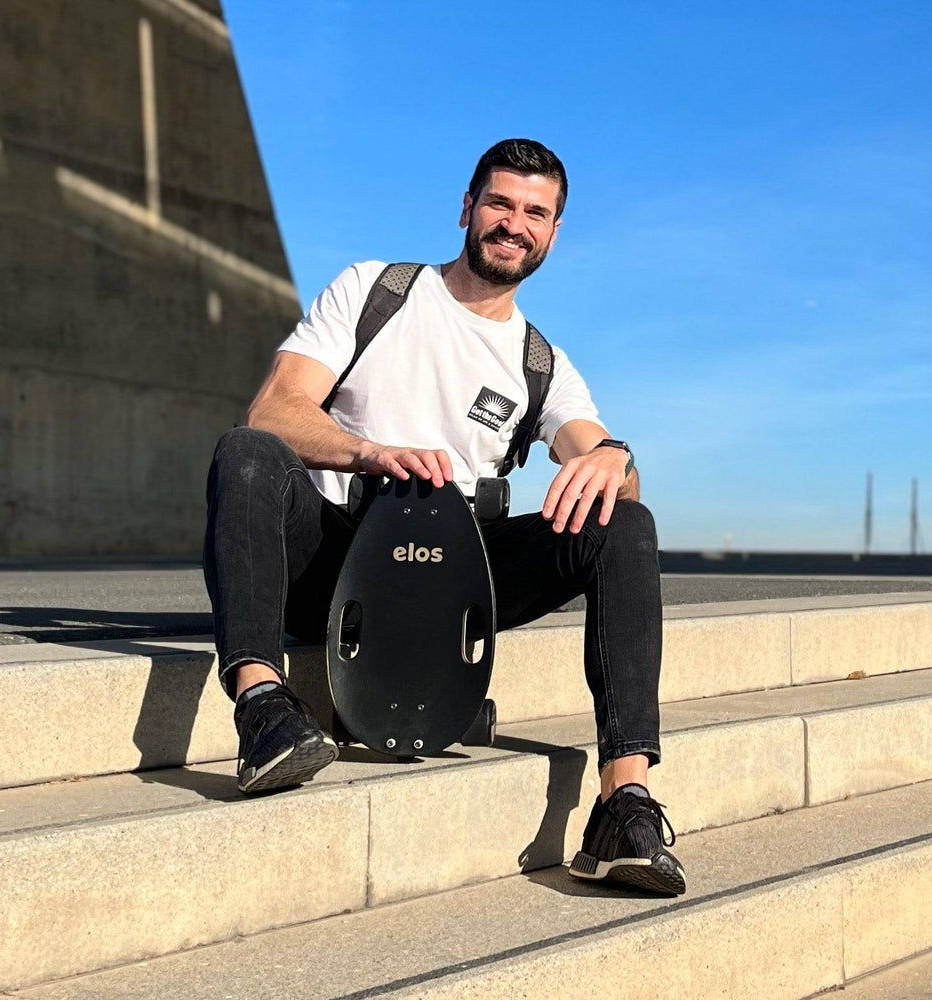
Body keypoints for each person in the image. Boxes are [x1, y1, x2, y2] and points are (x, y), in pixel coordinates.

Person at [201, 139, 685, 895]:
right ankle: (264, 708)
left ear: (554, 233)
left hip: (459, 583)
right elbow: (276, 407)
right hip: (338, 560)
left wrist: (612, 458)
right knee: (247, 452)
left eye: (535, 213)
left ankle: (624, 801)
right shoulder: (376, 290)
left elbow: (602, 459)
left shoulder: (540, 364)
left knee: (627, 522)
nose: (513, 224)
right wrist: (366, 452)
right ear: (467, 208)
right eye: (499, 203)